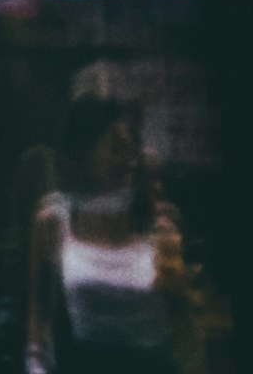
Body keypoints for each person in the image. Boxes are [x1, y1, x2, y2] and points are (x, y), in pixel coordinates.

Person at [24, 94, 197, 374]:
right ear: (83, 150)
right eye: (116, 148)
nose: (128, 162)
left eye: (132, 149)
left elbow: (183, 318)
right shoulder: (54, 219)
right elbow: (39, 312)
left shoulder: (157, 220)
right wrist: (35, 364)